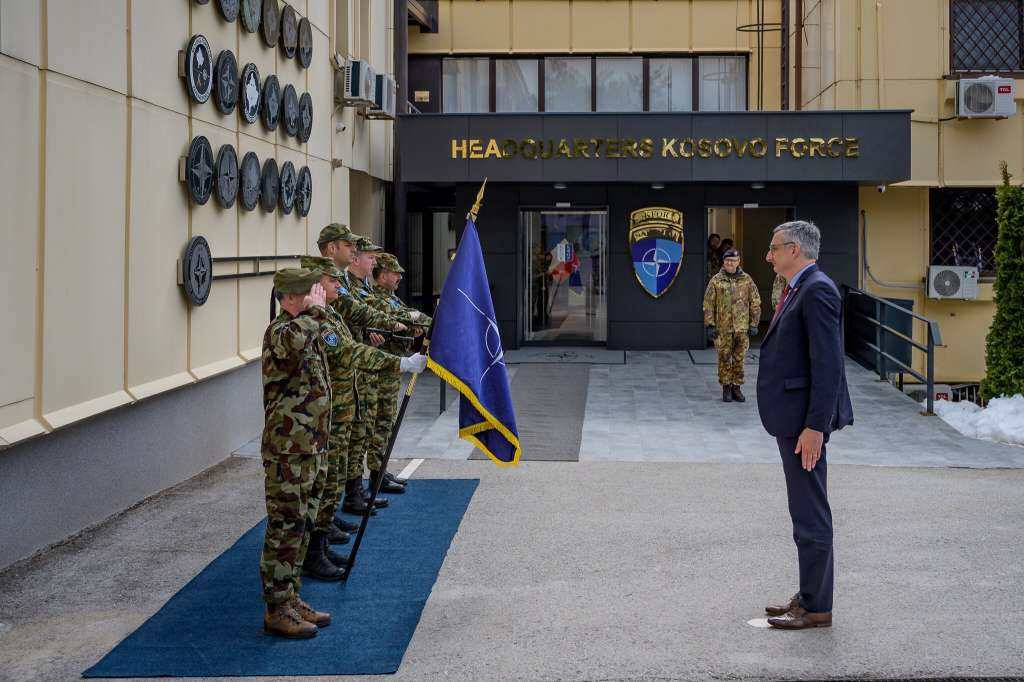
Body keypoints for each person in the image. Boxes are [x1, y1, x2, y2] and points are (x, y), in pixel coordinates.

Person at [296, 255, 426, 581]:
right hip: (323, 413)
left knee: (333, 476)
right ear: (316, 285)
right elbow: (348, 351)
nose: (339, 286)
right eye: (332, 282)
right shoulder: (314, 320)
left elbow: (354, 337)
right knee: (324, 481)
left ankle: (320, 543)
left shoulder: (328, 315)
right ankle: (312, 552)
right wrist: (402, 363)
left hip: (341, 403)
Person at [757, 220, 853, 630]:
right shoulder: (800, 287)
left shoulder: (817, 290)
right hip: (794, 420)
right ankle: (810, 594)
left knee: (810, 514)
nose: (769, 255)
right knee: (803, 510)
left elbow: (828, 365)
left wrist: (815, 427)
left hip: (804, 425)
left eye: (774, 248)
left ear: (794, 250)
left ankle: (816, 607)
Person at [258, 268, 334, 638]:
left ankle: (291, 597)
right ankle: (276, 608)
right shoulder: (281, 331)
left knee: (302, 526)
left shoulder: (307, 327)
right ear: (289, 297)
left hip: (311, 446)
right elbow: (294, 342)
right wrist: (316, 312)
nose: (316, 295)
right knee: (285, 526)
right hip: (287, 450)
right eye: (309, 291)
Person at [317, 224, 408, 516]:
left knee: (355, 436)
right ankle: (332, 514)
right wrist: (393, 324)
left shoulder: (340, 283)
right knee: (339, 446)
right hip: (340, 377)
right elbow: (356, 313)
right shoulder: (325, 282)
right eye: (349, 246)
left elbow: (357, 317)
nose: (355, 251)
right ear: (332, 248)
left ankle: (350, 498)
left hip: (354, 374)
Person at [367, 252, 432, 495]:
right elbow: (402, 317)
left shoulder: (392, 299)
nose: (400, 278)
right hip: (383, 369)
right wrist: (414, 319)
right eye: (396, 273)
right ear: (382, 275)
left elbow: (413, 318)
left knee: (387, 421)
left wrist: (417, 322)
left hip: (393, 368)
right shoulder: (377, 298)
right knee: (382, 421)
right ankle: (376, 475)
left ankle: (381, 470)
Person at [702, 249, 761, 403]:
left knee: (739, 358)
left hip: (742, 328)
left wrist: (754, 323)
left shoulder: (746, 280)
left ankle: (737, 387)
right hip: (723, 329)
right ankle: (726, 387)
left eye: (733, 260)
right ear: (724, 261)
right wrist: (710, 325)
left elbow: (755, 302)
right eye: (727, 260)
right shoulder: (716, 280)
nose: (730, 263)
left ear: (738, 262)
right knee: (724, 358)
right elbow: (708, 304)